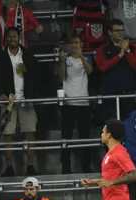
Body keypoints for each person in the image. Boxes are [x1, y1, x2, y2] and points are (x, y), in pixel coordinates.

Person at [0, 27, 40, 177]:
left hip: (26, 99)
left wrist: (28, 71)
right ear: (6, 39)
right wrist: (0, 94)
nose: (13, 39)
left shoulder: (26, 54)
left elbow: (39, 74)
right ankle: (9, 167)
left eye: (15, 37)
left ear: (19, 38)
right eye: (10, 37)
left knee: (30, 133)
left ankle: (31, 166)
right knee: (8, 134)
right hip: (9, 102)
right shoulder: (0, 56)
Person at [58, 34, 94, 174]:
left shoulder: (87, 57)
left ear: (81, 44)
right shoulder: (65, 59)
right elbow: (61, 75)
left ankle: (86, 166)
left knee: (85, 137)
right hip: (68, 104)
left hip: (84, 103)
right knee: (66, 137)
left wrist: (82, 57)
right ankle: (65, 167)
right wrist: (61, 62)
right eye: (71, 43)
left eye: (76, 42)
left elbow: (90, 71)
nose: (74, 45)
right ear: (68, 45)